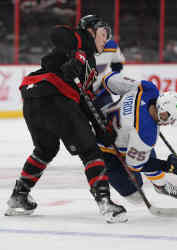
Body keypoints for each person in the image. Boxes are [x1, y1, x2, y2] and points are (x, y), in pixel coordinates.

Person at [5, 14, 127, 224]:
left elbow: (85, 102)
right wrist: (76, 52)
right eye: (103, 33)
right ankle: (106, 203)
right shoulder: (79, 39)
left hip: (34, 97)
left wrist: (102, 130)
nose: (106, 39)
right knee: (90, 151)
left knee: (45, 150)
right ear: (90, 30)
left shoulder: (89, 66)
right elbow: (57, 34)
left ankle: (19, 196)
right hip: (53, 96)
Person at [97, 72, 177, 204]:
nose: (167, 123)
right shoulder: (146, 134)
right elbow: (135, 165)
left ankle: (161, 185)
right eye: (168, 119)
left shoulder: (148, 89)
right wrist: (167, 166)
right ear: (162, 109)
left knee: (143, 148)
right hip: (104, 150)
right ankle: (158, 184)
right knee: (136, 198)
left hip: (100, 116)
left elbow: (108, 79)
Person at [93, 38, 125, 109]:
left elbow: (118, 63)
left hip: (99, 90)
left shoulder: (110, 45)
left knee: (111, 115)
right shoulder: (78, 41)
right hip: (76, 92)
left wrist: (105, 83)